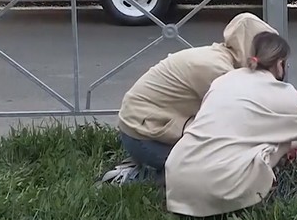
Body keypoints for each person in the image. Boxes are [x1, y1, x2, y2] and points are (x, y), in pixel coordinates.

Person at [164, 32, 297, 218]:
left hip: (176, 176)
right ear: (280, 63)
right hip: (219, 187)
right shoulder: (283, 94)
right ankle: (243, 208)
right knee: (284, 140)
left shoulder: (224, 80)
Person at [99, 12, 278, 185]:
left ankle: (151, 164)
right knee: (219, 169)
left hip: (146, 128)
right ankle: (136, 178)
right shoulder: (219, 70)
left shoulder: (219, 57)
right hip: (144, 136)